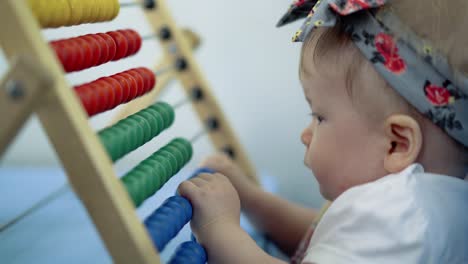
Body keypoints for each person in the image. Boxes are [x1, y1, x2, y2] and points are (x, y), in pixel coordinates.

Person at [177, 0, 468, 263]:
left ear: (397, 143)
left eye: (319, 116)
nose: (306, 134)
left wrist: (219, 228)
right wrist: (252, 199)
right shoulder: (426, 210)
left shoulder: (399, 218)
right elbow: (322, 242)